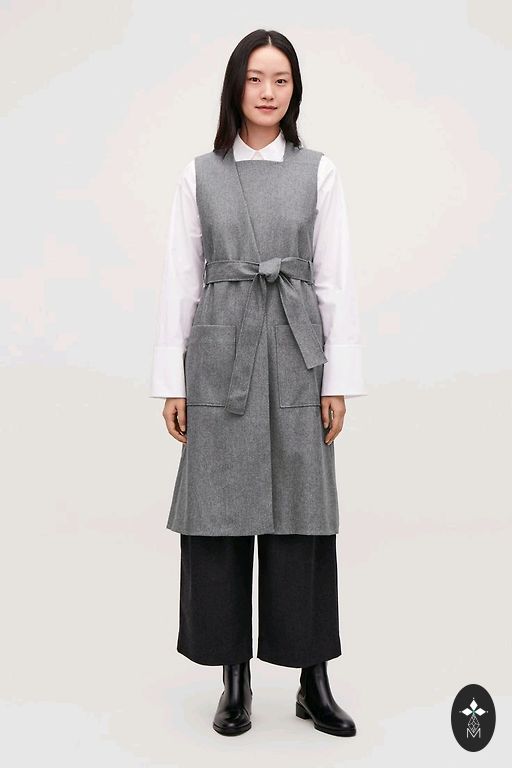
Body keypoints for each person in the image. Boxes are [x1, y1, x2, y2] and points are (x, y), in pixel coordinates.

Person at [150, 28, 367, 737]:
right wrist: (172, 381)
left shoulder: (318, 172)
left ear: (295, 89)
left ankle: (312, 679)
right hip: (222, 351)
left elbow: (335, 279)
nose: (268, 92)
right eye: (255, 78)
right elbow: (180, 279)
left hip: (298, 349)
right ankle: (233, 676)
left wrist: (338, 380)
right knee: (219, 511)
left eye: (281, 80)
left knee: (303, 510)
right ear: (234, 87)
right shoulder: (200, 175)